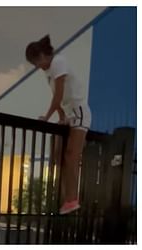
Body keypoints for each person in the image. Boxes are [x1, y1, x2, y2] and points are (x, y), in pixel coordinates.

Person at [25, 35, 91, 215]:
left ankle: (72, 199)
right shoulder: (49, 73)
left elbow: (59, 95)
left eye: (36, 62)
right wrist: (61, 116)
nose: (37, 67)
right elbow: (60, 100)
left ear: (42, 55)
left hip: (79, 112)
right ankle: (66, 198)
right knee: (57, 156)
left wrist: (46, 117)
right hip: (69, 115)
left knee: (71, 157)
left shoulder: (59, 62)